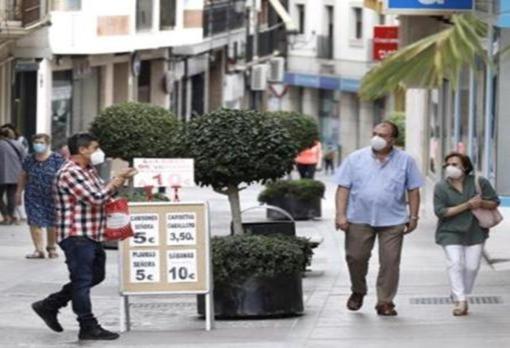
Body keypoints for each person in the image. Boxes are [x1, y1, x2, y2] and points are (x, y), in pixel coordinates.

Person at [31, 133, 136, 340]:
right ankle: (87, 325)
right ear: (82, 150)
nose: (99, 152)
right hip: (76, 234)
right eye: (95, 148)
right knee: (82, 280)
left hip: (92, 233)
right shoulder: (70, 172)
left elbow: (105, 194)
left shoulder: (88, 171)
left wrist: (120, 181)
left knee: (95, 276)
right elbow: (96, 198)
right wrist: (117, 180)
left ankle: (49, 305)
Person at [334, 121, 423, 316]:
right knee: (355, 257)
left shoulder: (406, 160)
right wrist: (340, 214)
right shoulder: (355, 158)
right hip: (359, 217)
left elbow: (413, 189)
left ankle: (385, 301)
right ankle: (358, 290)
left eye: (382, 135)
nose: (377, 138)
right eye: (375, 133)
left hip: (393, 220)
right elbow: (343, 188)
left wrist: (414, 216)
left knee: (390, 262)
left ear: (393, 139)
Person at [433, 152, 499, 316]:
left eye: (455, 164)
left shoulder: (479, 182)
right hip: (450, 231)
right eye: (448, 164)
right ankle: (461, 300)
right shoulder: (441, 186)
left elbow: (494, 202)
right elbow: (441, 212)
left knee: (472, 266)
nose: (450, 167)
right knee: (455, 263)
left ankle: (458, 292)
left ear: (465, 166)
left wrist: (481, 202)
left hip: (475, 231)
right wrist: (467, 205)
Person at [16, 134, 66, 259]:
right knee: (34, 221)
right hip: (33, 195)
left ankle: (51, 247)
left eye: (41, 142)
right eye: (36, 142)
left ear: (48, 143)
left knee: (52, 223)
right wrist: (18, 192)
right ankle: (39, 250)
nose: (38, 144)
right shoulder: (29, 159)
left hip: (53, 195)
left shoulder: (57, 159)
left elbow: (64, 176)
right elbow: (23, 175)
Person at [0, 127, 25, 225]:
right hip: (16, 174)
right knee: (12, 195)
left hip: (1, 174)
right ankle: (11, 216)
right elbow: (24, 159)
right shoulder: (19, 145)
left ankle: (6, 216)